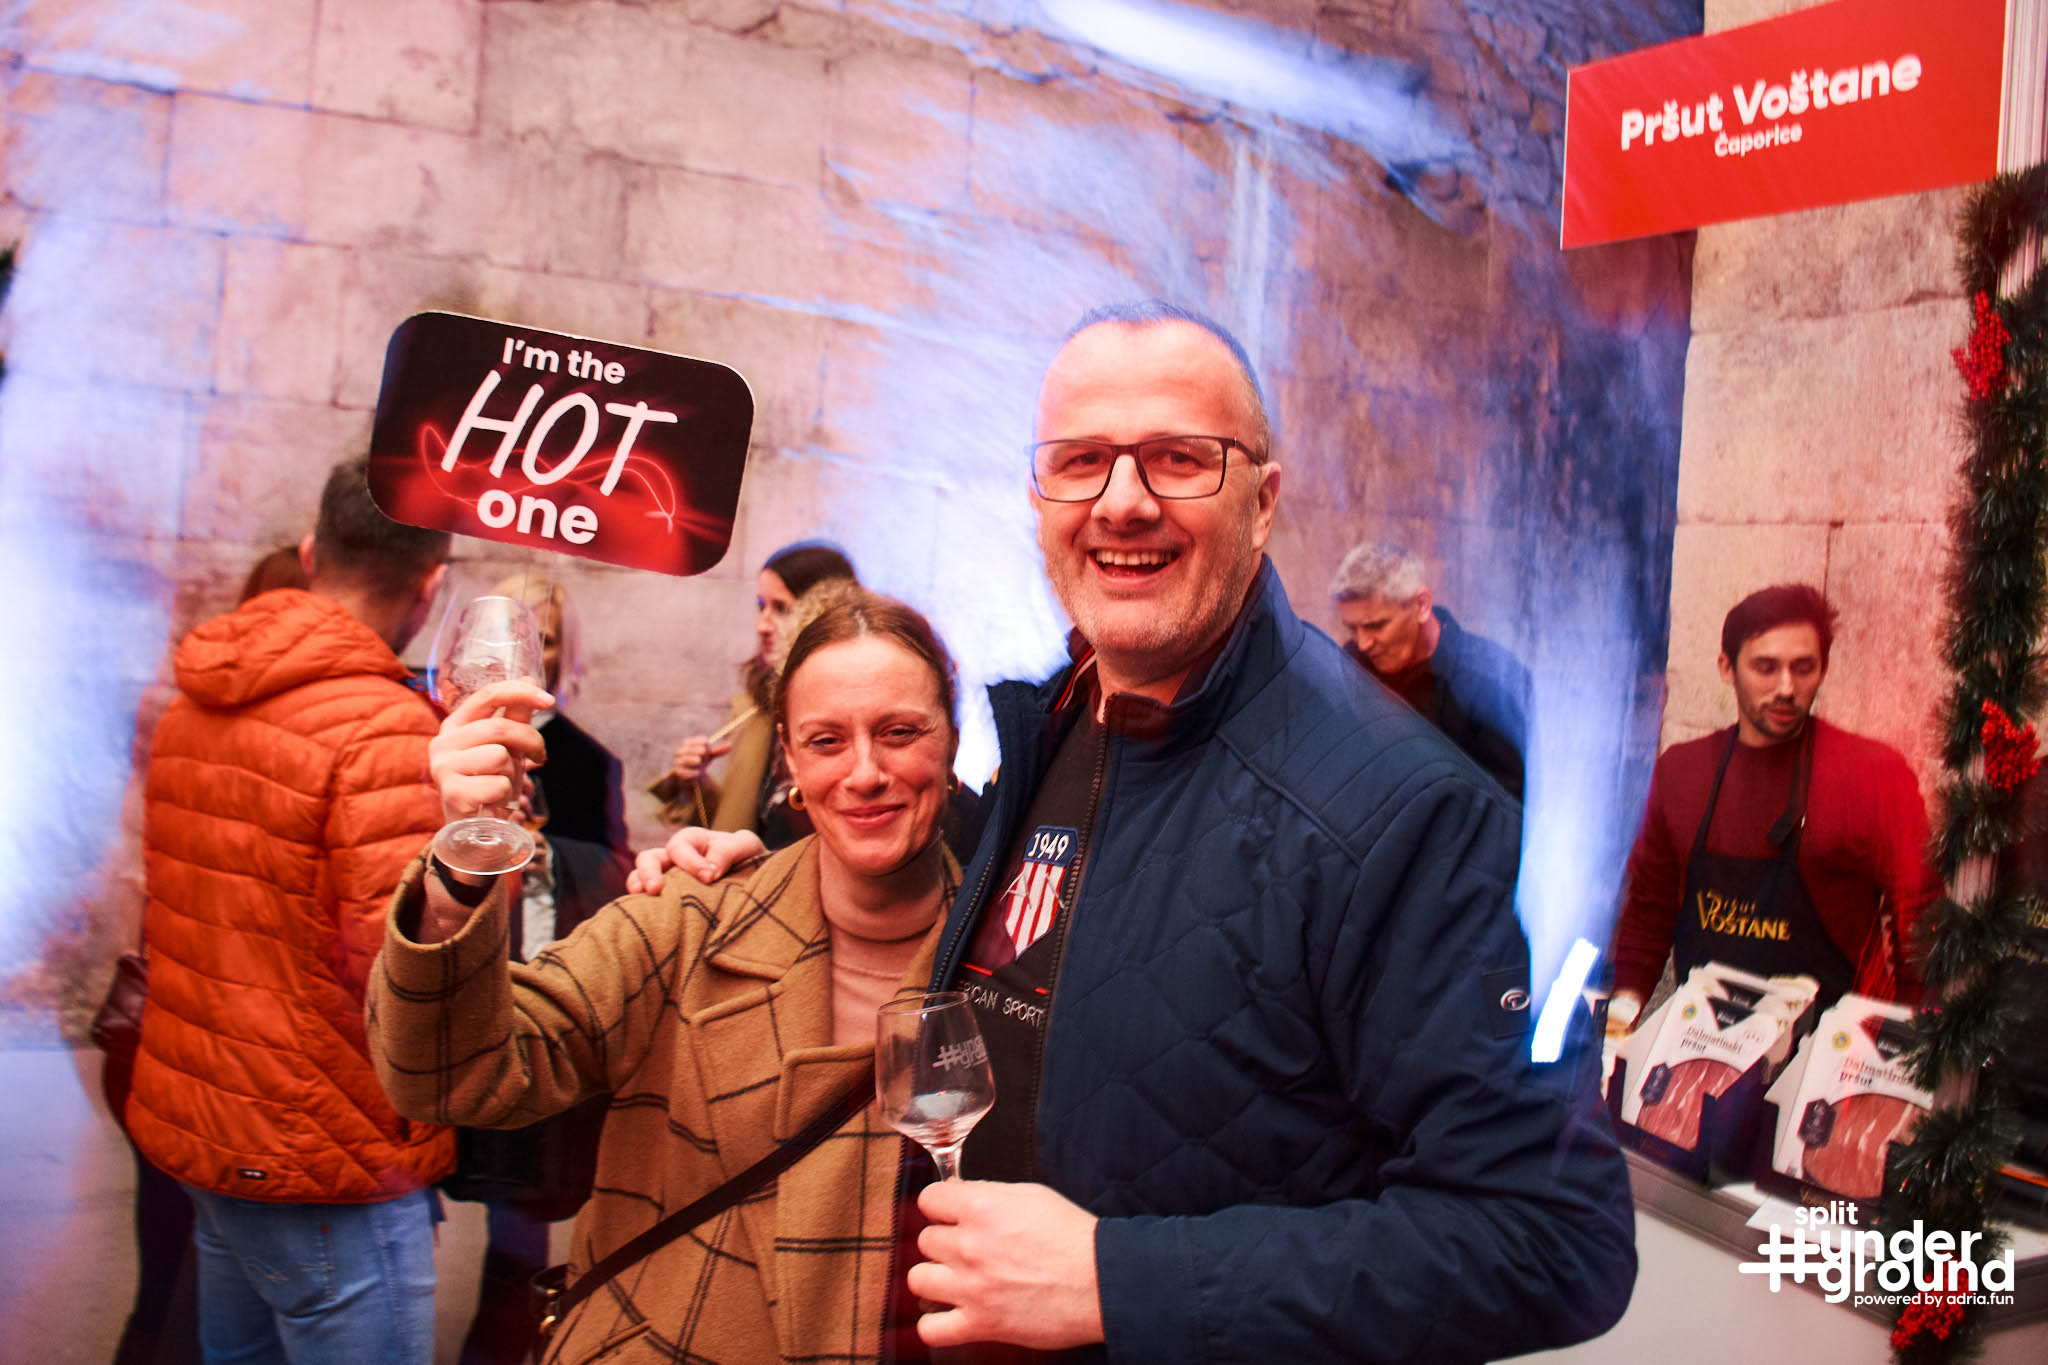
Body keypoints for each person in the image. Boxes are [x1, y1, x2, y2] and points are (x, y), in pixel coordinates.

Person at [646, 302, 1637, 1363]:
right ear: (1039, 501)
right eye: (1081, 462)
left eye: (1177, 458)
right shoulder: (1069, 721)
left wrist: (1117, 1280)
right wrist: (795, 883)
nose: (1122, 502)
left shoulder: (1411, 816)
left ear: (1262, 503)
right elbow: (1060, 950)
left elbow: (1552, 1242)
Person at [368, 589, 966, 1364]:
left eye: (899, 732)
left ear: (952, 739)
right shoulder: (690, 920)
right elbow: (453, 1073)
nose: (865, 772)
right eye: (826, 740)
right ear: (788, 757)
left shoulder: (1014, 958)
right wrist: (461, 868)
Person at [125, 455, 455, 1362]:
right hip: (326, 1158)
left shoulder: (197, 695)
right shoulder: (385, 728)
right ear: (431, 586)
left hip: (216, 1127)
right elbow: (409, 973)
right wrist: (487, 841)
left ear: (311, 552)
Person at [1606, 584, 1935, 1034]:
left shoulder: (1874, 774)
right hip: (1701, 1046)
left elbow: (1921, 922)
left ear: (1823, 669)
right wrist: (1621, 1019)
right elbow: (1649, 912)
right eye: (1765, 667)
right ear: (1727, 667)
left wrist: (1902, 1045)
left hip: (1826, 1053)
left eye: (1804, 668)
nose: (1786, 688)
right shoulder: (1681, 772)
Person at [648, 541, 857, 837]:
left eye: (781, 608)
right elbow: (745, 823)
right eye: (761, 606)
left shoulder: (852, 709)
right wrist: (696, 781)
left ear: (821, 612)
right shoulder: (756, 708)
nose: (762, 625)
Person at [1328, 540, 1531, 799]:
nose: (1363, 643)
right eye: (1352, 629)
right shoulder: (1350, 662)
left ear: (1421, 605)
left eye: (1376, 626)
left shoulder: (1491, 680)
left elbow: (1510, 800)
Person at [489, 573, 628, 855]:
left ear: (563, 655)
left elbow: (611, 864)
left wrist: (549, 858)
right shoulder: (442, 729)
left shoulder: (589, 763)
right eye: (508, 633)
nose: (522, 651)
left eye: (542, 640)